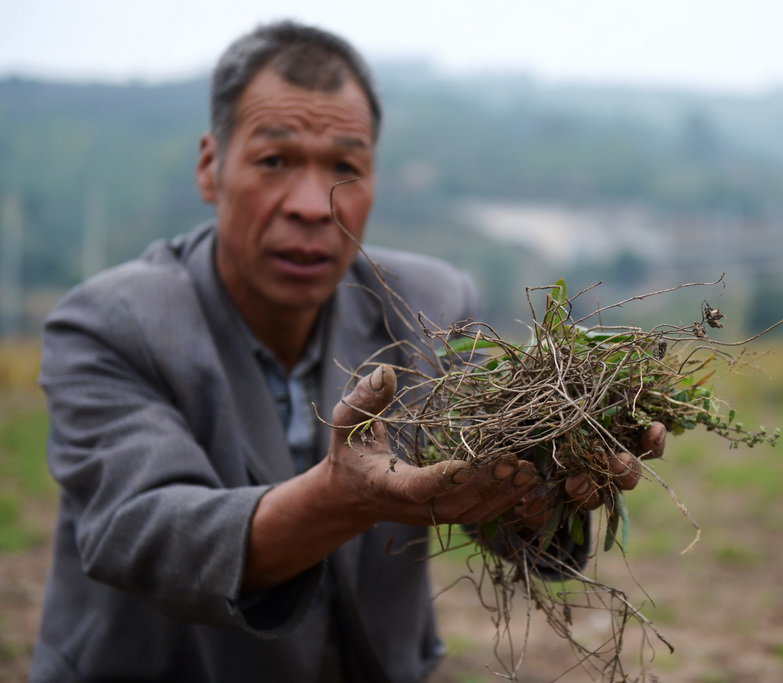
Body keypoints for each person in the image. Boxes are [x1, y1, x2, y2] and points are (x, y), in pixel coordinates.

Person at [30, 20, 665, 682]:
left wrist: (550, 471)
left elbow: (495, 484)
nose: (312, 204)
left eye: (345, 166)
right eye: (274, 160)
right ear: (210, 167)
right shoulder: (112, 323)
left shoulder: (432, 304)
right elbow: (144, 530)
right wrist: (346, 498)